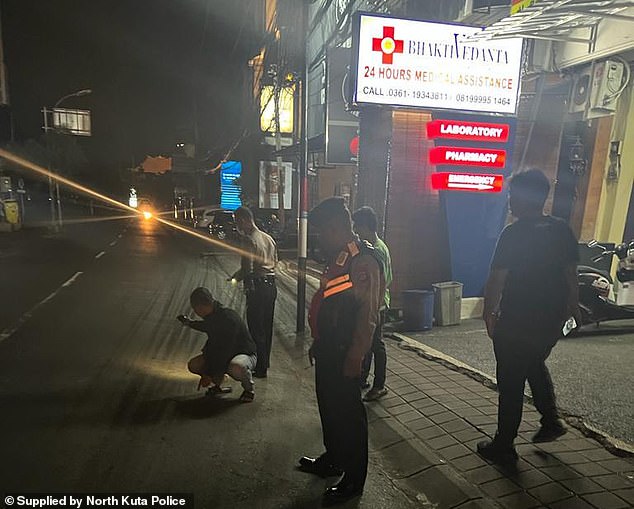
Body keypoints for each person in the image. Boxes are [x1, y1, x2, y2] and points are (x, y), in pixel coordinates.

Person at [479, 169, 580, 463]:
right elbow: (570, 275)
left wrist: (488, 312)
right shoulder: (562, 230)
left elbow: (497, 277)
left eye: (512, 195)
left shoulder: (514, 234)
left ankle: (504, 444)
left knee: (510, 380)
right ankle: (550, 419)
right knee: (532, 361)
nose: (510, 201)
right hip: (549, 320)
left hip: (517, 319)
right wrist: (571, 308)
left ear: (524, 197)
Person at [298, 197, 383, 506]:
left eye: (321, 231)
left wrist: (355, 356)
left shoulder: (363, 261)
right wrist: (318, 340)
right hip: (329, 348)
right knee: (329, 408)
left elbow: (367, 315)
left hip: (346, 352)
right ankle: (333, 459)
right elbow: (329, 302)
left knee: (349, 416)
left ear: (335, 228)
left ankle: (354, 479)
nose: (319, 237)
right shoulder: (340, 258)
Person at [178, 287, 258, 403]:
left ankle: (249, 390)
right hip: (225, 354)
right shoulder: (212, 316)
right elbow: (205, 327)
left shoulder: (228, 318)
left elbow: (225, 351)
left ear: (201, 307)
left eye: (195, 309)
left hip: (244, 354)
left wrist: (210, 374)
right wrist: (189, 323)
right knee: (194, 365)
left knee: (236, 367)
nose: (196, 312)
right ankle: (217, 387)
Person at [230, 206, 278, 378]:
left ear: (244, 220)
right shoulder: (269, 238)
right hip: (271, 287)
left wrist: (236, 280)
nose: (237, 226)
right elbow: (275, 262)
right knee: (267, 327)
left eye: (237, 222)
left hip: (257, 287)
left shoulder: (250, 240)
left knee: (256, 329)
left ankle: (260, 367)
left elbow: (247, 268)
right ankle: (265, 363)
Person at [352, 206, 393, 401]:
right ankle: (362, 379)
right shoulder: (369, 246)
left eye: (357, 226)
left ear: (366, 226)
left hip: (378, 304)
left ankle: (379, 385)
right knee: (367, 342)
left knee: (377, 345)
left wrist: (375, 308)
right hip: (371, 303)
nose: (356, 230)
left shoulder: (378, 250)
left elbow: (384, 281)